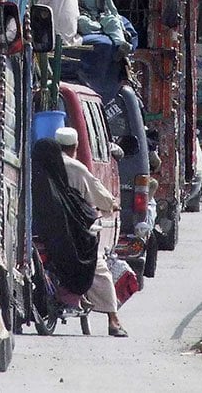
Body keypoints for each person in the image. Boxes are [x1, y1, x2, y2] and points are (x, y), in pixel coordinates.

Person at [55, 126, 128, 337]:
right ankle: (113, 320)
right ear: (74, 147)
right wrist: (111, 204)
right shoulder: (76, 168)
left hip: (44, 231)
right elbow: (100, 195)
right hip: (75, 232)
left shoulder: (42, 164)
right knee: (99, 269)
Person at [30, 137, 99, 313]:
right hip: (60, 243)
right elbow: (81, 211)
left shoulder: (30, 180)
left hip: (34, 237)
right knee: (87, 245)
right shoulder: (58, 189)